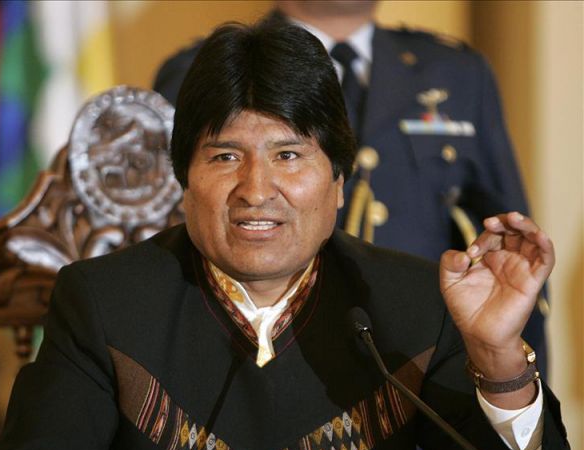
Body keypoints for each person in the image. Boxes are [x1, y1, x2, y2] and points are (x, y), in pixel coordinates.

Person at [0, 20, 569, 450]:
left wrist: (497, 356)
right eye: (225, 156)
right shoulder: (104, 303)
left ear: (338, 181)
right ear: (184, 181)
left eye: (289, 155)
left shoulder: (417, 306)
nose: (256, 189)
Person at [152, 0, 550, 378]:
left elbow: (506, 243)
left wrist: (516, 380)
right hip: (257, 358)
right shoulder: (204, 70)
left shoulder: (453, 71)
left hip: (415, 364)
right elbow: (165, 237)